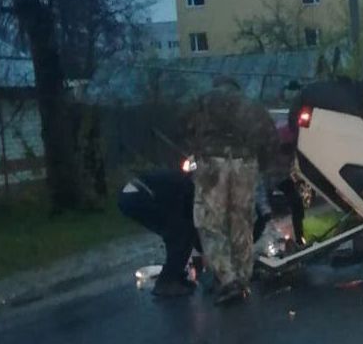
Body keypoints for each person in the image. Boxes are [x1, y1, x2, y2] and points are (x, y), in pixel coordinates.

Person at [181, 77, 280, 306]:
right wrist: (259, 165)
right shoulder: (251, 105)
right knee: (242, 220)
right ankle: (242, 276)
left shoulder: (204, 101)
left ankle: (227, 279)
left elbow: (183, 126)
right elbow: (270, 137)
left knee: (211, 222)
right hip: (245, 163)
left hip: (211, 163)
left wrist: (194, 153)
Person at [117, 168, 200, 298]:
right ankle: (167, 283)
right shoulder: (189, 188)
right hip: (138, 195)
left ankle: (174, 276)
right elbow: (192, 223)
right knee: (179, 234)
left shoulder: (185, 182)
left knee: (179, 233)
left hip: (132, 194)